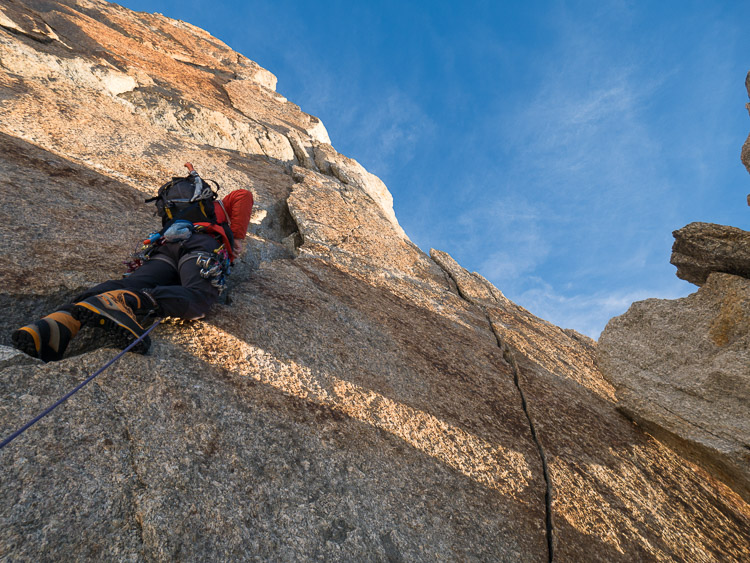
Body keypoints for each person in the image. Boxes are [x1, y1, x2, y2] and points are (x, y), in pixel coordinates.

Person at [12, 163, 253, 362]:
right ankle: (120, 302)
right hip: (201, 244)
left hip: (164, 250)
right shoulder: (216, 206)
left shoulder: (178, 214)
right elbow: (244, 195)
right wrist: (238, 237)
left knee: (132, 282)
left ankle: (55, 323)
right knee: (198, 297)